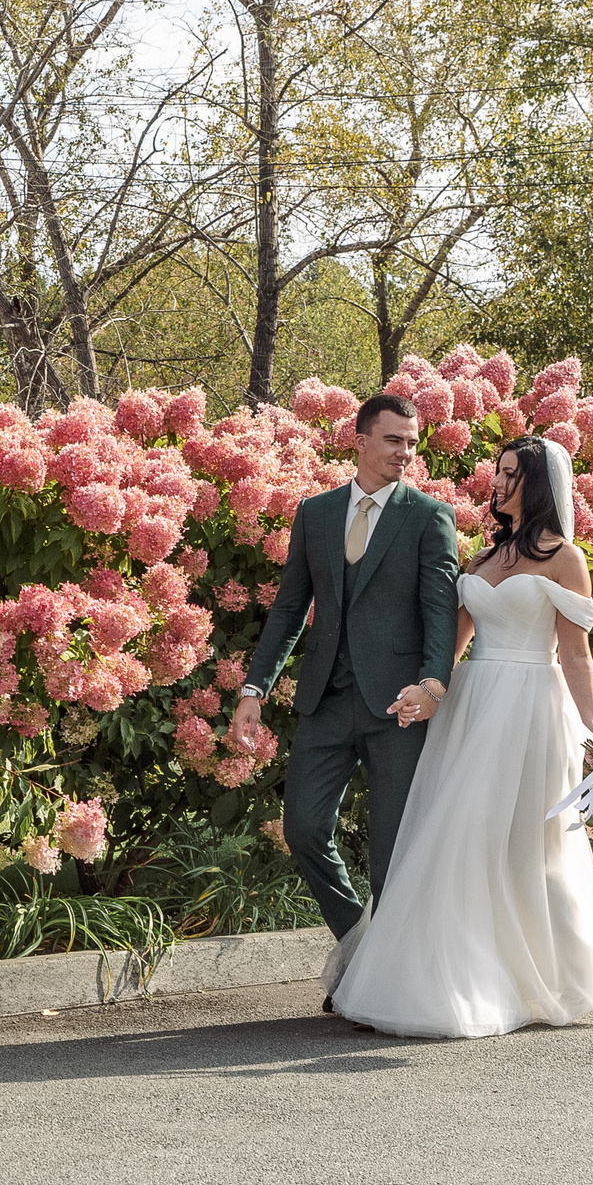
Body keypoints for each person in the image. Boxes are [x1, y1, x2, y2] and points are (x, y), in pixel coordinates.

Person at [325, 435, 593, 1038]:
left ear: (537, 485)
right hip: (472, 709)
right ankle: (451, 981)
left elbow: (576, 655)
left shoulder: (565, 558)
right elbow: (454, 642)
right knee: (458, 835)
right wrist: (426, 693)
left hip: (531, 710)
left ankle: (541, 978)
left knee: (525, 845)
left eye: (511, 473)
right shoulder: (481, 558)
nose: (497, 482)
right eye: (498, 471)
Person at [230, 393, 460, 944]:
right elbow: (290, 608)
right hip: (326, 700)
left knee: (391, 848)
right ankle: (358, 940)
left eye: (411, 442)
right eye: (393, 440)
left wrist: (433, 685)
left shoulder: (429, 517)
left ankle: (390, 970)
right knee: (303, 827)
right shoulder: (316, 513)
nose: (405, 452)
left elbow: (440, 612)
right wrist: (254, 688)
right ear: (360, 441)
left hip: (398, 707)